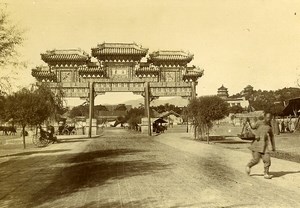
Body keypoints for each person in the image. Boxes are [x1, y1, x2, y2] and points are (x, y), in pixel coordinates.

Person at [245, 112, 276, 179]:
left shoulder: (269, 127)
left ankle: (266, 173)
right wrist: (255, 134)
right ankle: (248, 166)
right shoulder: (259, 123)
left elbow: (272, 137)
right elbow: (252, 128)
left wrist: (273, 146)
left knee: (267, 160)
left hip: (264, 146)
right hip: (256, 145)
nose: (268, 119)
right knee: (256, 160)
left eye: (270, 118)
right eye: (267, 117)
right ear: (264, 117)